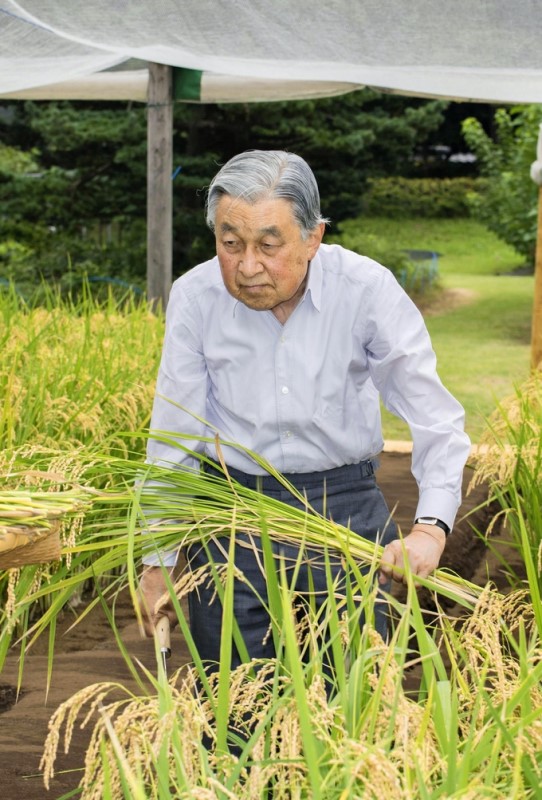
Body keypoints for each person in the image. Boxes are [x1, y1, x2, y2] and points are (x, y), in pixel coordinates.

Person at [139, 149, 471, 668]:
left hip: (343, 510)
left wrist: (430, 528)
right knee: (232, 703)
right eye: (231, 244)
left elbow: (434, 415)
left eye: (268, 245)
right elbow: (175, 435)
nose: (248, 266)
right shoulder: (196, 296)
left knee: (350, 701)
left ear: (313, 237)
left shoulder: (364, 289)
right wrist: (156, 559)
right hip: (232, 513)